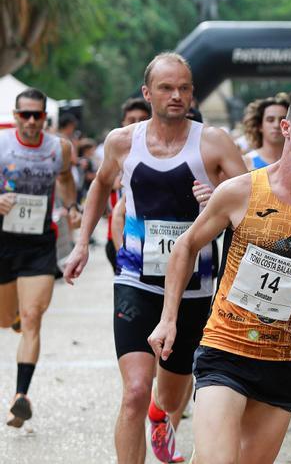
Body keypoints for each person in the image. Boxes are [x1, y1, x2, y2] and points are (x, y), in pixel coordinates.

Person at [147, 88, 291, 463]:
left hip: (284, 362)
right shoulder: (241, 191)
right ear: (286, 127)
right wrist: (168, 319)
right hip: (225, 349)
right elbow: (186, 246)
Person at [63, 52, 247, 464]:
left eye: (184, 87)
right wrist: (80, 244)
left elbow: (250, 207)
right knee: (133, 392)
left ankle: (162, 416)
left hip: (195, 288)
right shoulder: (122, 141)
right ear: (147, 93)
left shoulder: (214, 142)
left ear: (193, 92)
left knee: (170, 394)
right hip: (135, 280)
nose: (176, 95)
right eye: (166, 87)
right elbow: (99, 187)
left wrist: (218, 198)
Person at [0, 87, 78, 428]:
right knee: (6, 320)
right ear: (16, 116)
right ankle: (12, 316)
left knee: (33, 316)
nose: (32, 121)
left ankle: (20, 397)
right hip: (4, 240)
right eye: (25, 114)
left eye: (38, 115)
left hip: (39, 243)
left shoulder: (59, 148)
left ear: (45, 117)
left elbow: (64, 179)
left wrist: (72, 206)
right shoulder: (2, 144)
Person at [104, 98, 152, 272]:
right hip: (117, 235)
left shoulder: (160, 155)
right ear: (123, 123)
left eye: (142, 119)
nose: (137, 124)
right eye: (132, 120)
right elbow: (98, 188)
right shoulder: (112, 155)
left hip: (151, 238)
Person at [243, 94, 290, 170]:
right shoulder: (247, 162)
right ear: (260, 126)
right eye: (270, 120)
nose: (276, 125)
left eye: (282, 120)